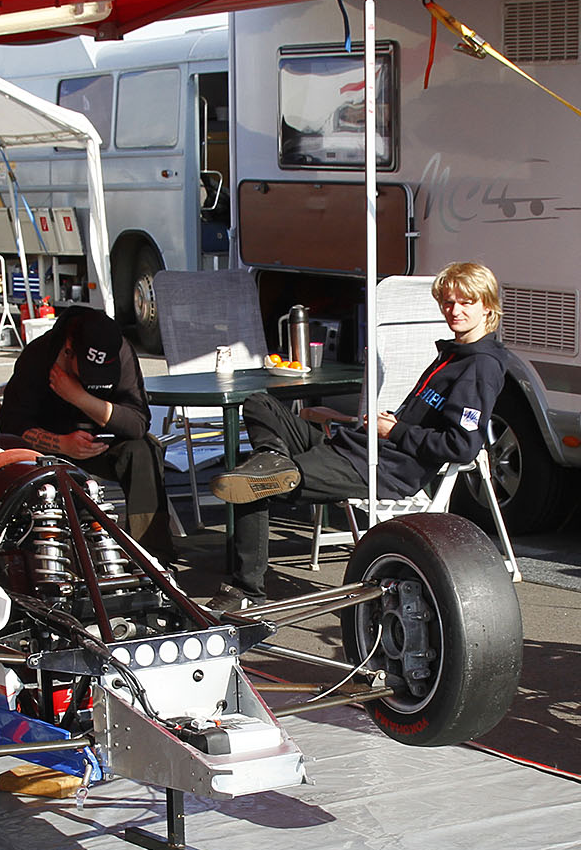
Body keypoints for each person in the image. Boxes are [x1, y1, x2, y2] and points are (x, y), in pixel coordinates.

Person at [206, 261, 512, 611]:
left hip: (382, 469)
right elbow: (424, 419)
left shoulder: (480, 366)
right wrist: (383, 422)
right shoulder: (453, 354)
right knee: (259, 403)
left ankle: (246, 591)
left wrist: (395, 430)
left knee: (252, 483)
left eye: (466, 302)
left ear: (487, 306)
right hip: (357, 447)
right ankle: (274, 459)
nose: (454, 310)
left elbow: (462, 446)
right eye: (447, 301)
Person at [0, 306, 175, 563]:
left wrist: (79, 397)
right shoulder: (39, 355)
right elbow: (11, 426)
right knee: (30, 463)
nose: (93, 379)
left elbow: (138, 423)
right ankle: (53, 553)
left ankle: (152, 557)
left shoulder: (121, 351)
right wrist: (61, 444)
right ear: (69, 348)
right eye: (88, 370)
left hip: (102, 445)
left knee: (144, 449)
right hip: (51, 450)